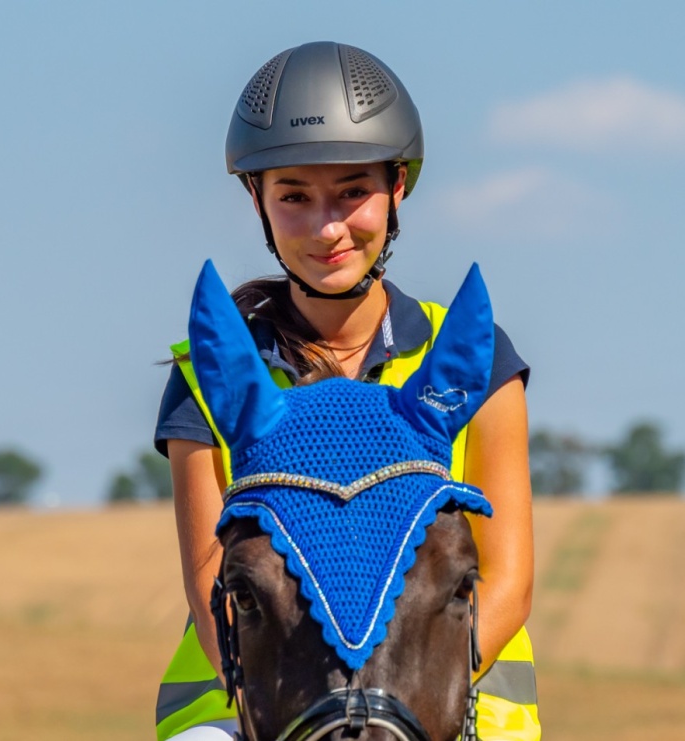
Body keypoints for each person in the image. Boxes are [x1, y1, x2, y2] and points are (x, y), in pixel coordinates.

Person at [153, 41, 539, 741]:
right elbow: (213, 582)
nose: (328, 227)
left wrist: (399, 709)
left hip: (446, 704)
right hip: (254, 710)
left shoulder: (475, 361)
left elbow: (508, 578)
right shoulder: (208, 377)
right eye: (294, 196)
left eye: (352, 191)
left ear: (396, 188)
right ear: (257, 200)